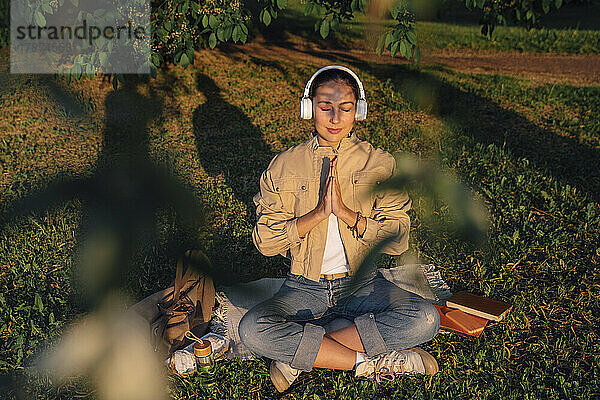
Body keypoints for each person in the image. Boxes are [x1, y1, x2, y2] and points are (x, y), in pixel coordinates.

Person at [238, 65, 440, 392]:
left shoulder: (379, 162)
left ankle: (301, 354)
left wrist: (348, 215)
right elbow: (265, 241)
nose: (334, 118)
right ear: (309, 109)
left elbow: (398, 239)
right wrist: (317, 214)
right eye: (324, 107)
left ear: (357, 112)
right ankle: (368, 362)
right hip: (303, 286)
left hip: (363, 283)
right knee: (252, 329)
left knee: (426, 318)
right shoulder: (284, 164)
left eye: (345, 108)